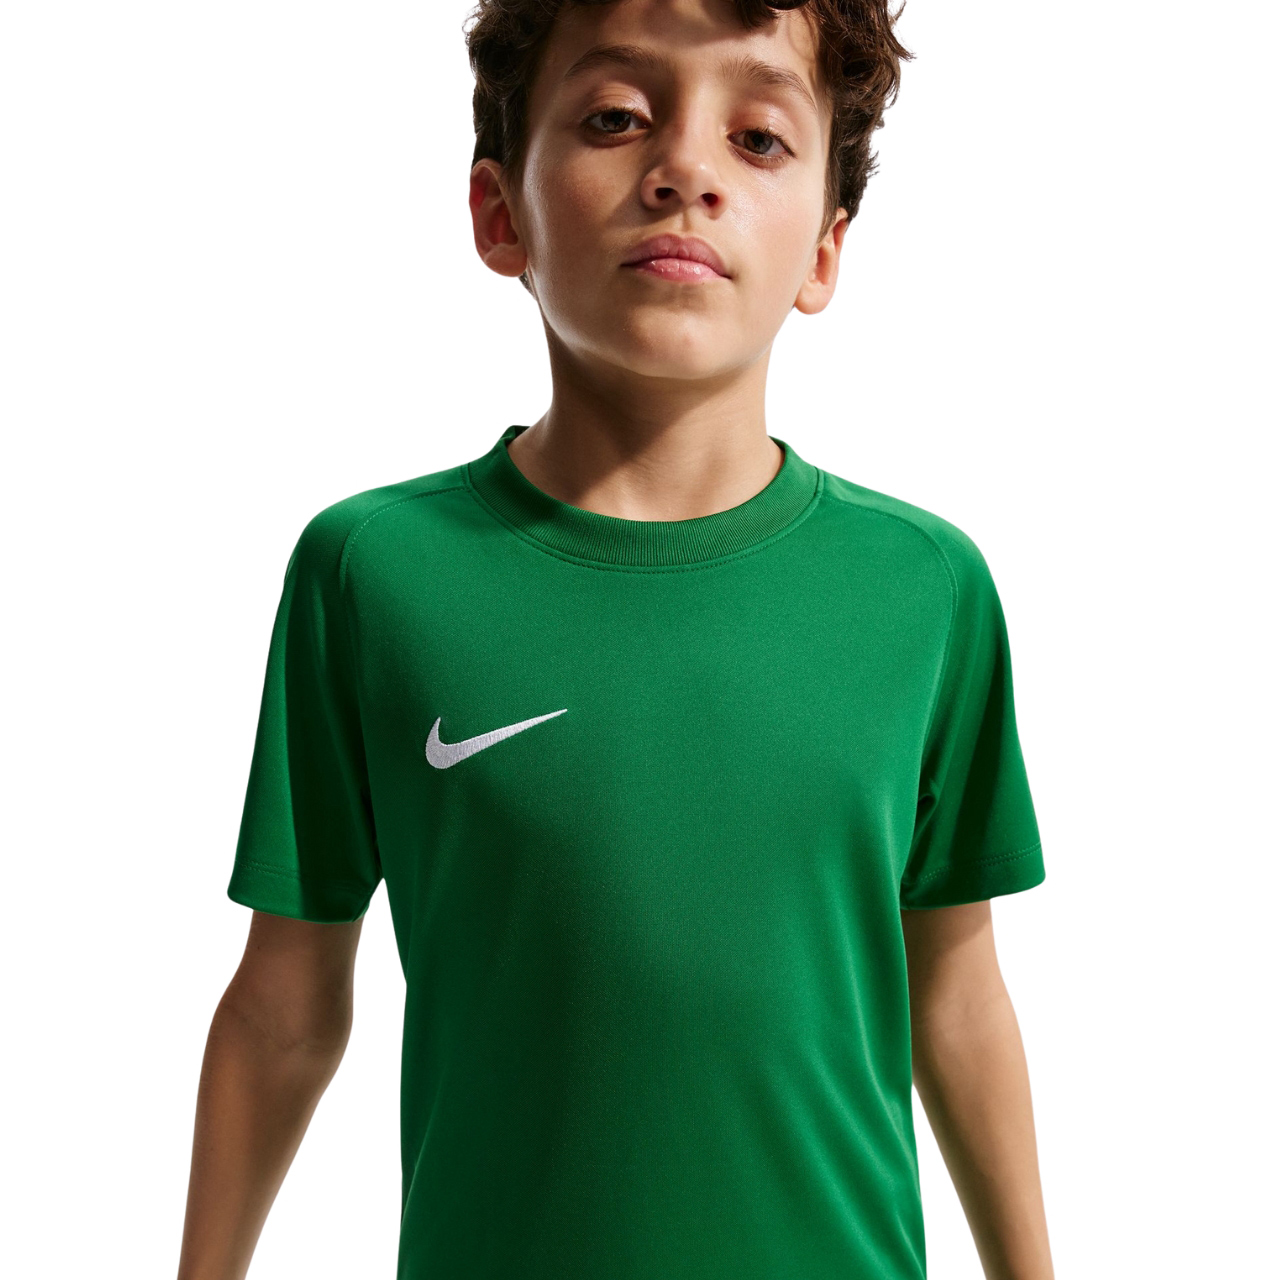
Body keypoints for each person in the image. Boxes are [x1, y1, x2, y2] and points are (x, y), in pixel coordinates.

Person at [177, 2, 1054, 1277]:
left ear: (823, 248)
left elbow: (957, 996)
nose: (684, 169)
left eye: (757, 138)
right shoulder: (373, 575)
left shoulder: (924, 589)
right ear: (500, 214)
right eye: (615, 118)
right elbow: (283, 1007)